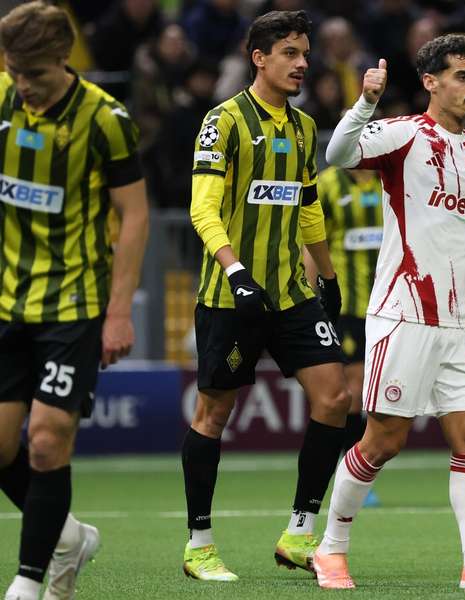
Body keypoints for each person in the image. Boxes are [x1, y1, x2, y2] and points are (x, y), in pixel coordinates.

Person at [314, 35, 465, 590]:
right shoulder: (402, 135)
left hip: (462, 319)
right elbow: (338, 154)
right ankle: (329, 548)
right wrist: (365, 102)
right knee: (383, 441)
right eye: (462, 77)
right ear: (431, 82)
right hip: (404, 313)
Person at [182, 10, 350, 582]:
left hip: (290, 293)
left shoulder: (304, 129)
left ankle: (299, 534)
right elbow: (202, 207)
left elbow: (306, 207)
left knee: (334, 400)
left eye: (305, 54)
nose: (303, 63)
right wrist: (234, 271)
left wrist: (327, 278)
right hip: (232, 295)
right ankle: (199, 544)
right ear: (260, 58)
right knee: (214, 413)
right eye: (291, 53)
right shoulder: (222, 122)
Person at [0, 3, 149, 599]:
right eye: (14, 71)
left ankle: (31, 583)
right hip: (8, 299)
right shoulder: (4, 98)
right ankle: (66, 536)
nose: (24, 85)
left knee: (46, 439)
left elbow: (134, 215)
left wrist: (118, 311)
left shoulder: (105, 119)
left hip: (75, 303)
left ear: (63, 59)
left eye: (33, 73)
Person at [304, 166, 384, 507]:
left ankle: (354, 471)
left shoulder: (389, 177)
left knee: (372, 392)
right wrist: (311, 295)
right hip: (346, 306)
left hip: (387, 304)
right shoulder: (329, 184)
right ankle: (352, 474)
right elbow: (312, 241)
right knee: (352, 389)